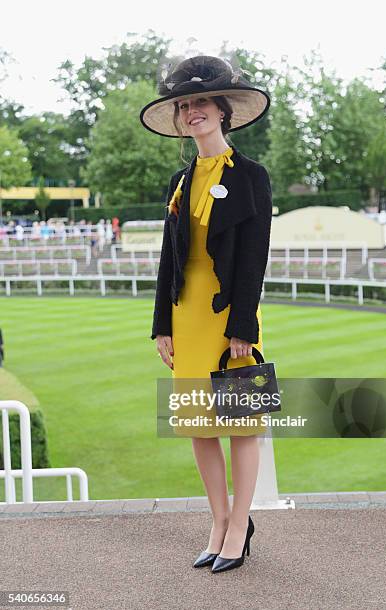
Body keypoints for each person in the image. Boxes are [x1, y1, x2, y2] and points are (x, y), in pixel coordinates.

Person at [140, 55, 272, 573]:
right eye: (185, 105)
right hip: (186, 316)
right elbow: (168, 259)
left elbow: (254, 257)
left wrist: (243, 325)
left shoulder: (251, 177)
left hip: (229, 320)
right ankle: (217, 522)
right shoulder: (180, 180)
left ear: (222, 111)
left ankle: (240, 524)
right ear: (179, 119)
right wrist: (161, 325)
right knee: (199, 426)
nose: (193, 111)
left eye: (201, 103)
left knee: (242, 424)